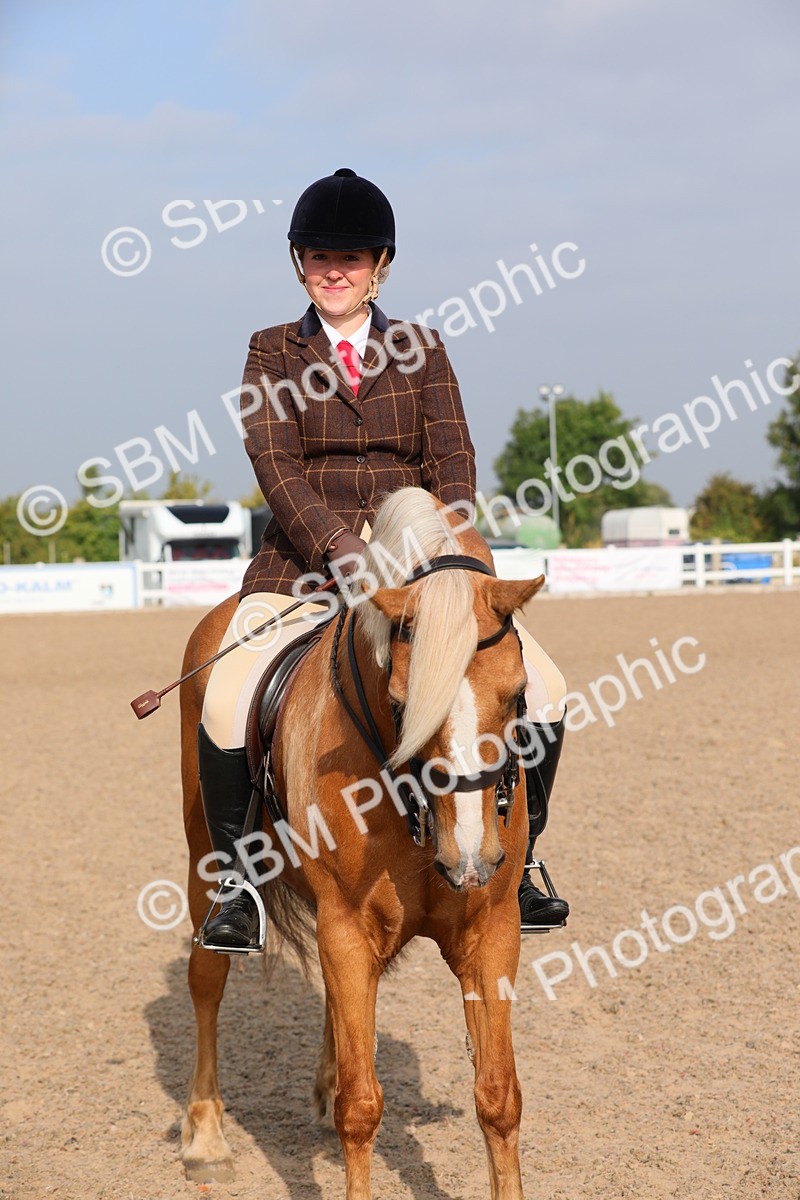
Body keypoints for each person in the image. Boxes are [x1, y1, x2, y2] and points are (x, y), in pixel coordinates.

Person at [197, 167, 569, 950]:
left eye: (354, 258)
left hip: (422, 573)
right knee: (227, 697)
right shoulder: (271, 352)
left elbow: (453, 460)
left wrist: (454, 555)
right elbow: (276, 465)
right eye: (321, 258)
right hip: (300, 568)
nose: (337, 271)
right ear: (299, 263)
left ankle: (524, 862)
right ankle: (237, 883)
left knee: (552, 689)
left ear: (381, 267)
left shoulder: (424, 350)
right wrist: (339, 547)